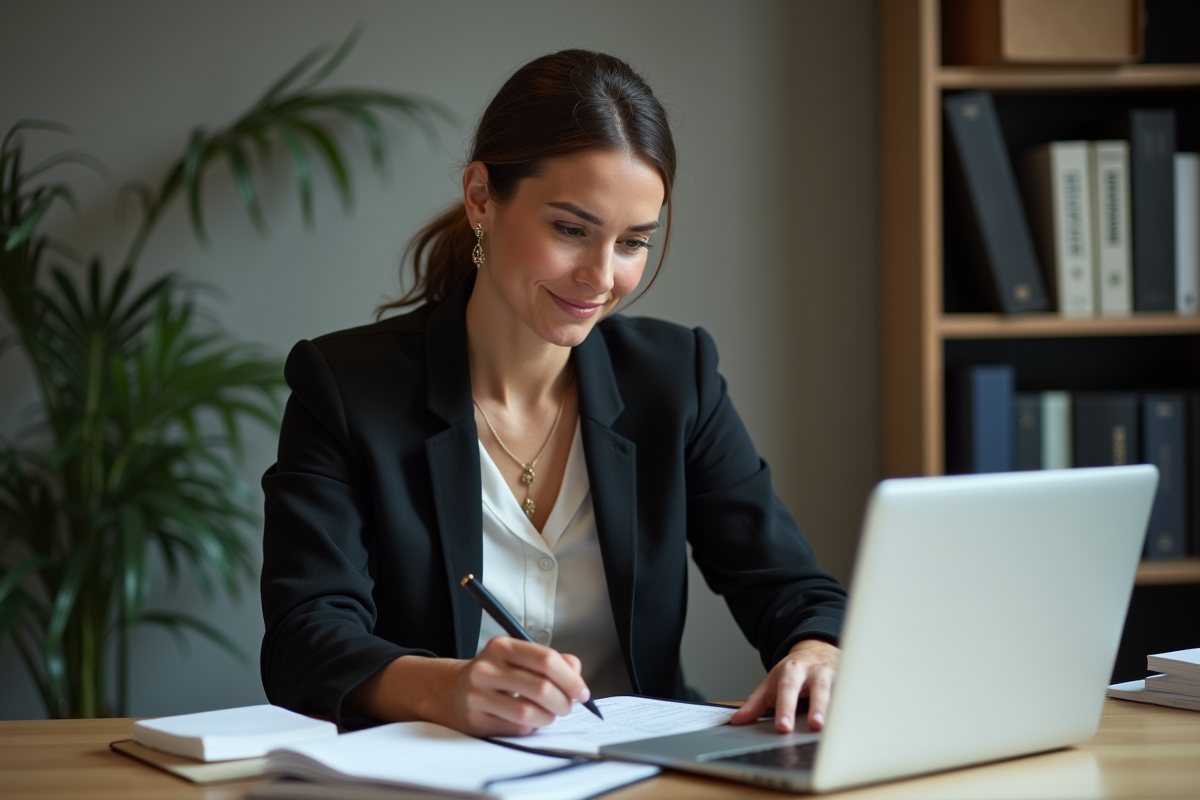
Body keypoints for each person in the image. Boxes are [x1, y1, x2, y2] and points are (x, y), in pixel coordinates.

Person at [260, 49, 847, 739]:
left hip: (646, 775)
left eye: (632, 243)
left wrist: (817, 649)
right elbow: (304, 638)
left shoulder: (676, 378)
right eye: (571, 230)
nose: (601, 276)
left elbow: (792, 588)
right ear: (481, 198)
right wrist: (444, 688)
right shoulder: (345, 388)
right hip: (434, 773)